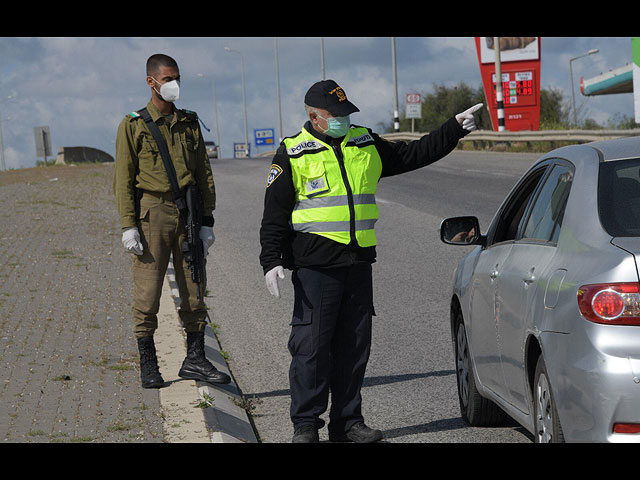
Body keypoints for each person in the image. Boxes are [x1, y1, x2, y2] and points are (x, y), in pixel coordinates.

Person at [259, 79, 482, 443]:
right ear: (315, 117)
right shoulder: (293, 152)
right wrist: (272, 260)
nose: (344, 120)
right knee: (311, 349)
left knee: (354, 347)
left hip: (357, 263)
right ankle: (305, 425)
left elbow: (413, 154)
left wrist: (453, 129)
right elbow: (274, 214)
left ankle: (347, 424)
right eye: (337, 115)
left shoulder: (363, 142)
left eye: (347, 113)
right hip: (316, 267)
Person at [113, 53, 230, 389]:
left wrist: (207, 219)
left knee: (194, 288)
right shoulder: (133, 125)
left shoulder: (189, 122)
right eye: (167, 79)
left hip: (189, 214)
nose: (174, 84)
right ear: (151, 82)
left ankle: (195, 359)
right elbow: (123, 178)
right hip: (153, 214)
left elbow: (204, 174)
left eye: (177, 77)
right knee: (148, 294)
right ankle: (148, 364)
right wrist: (128, 224)